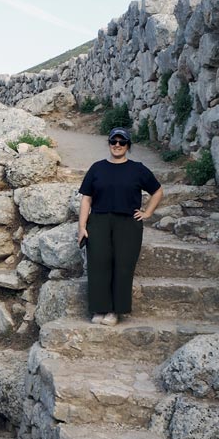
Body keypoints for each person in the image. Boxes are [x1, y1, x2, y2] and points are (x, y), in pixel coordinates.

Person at [76, 127, 163, 326]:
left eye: (122, 142)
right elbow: (86, 199)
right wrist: (82, 226)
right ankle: (99, 309)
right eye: (113, 142)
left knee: (123, 266)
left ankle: (115, 311)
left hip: (128, 223)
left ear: (128, 146)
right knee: (98, 264)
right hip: (99, 221)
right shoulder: (97, 168)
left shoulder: (138, 169)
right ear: (108, 144)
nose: (117, 145)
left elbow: (157, 191)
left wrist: (147, 213)